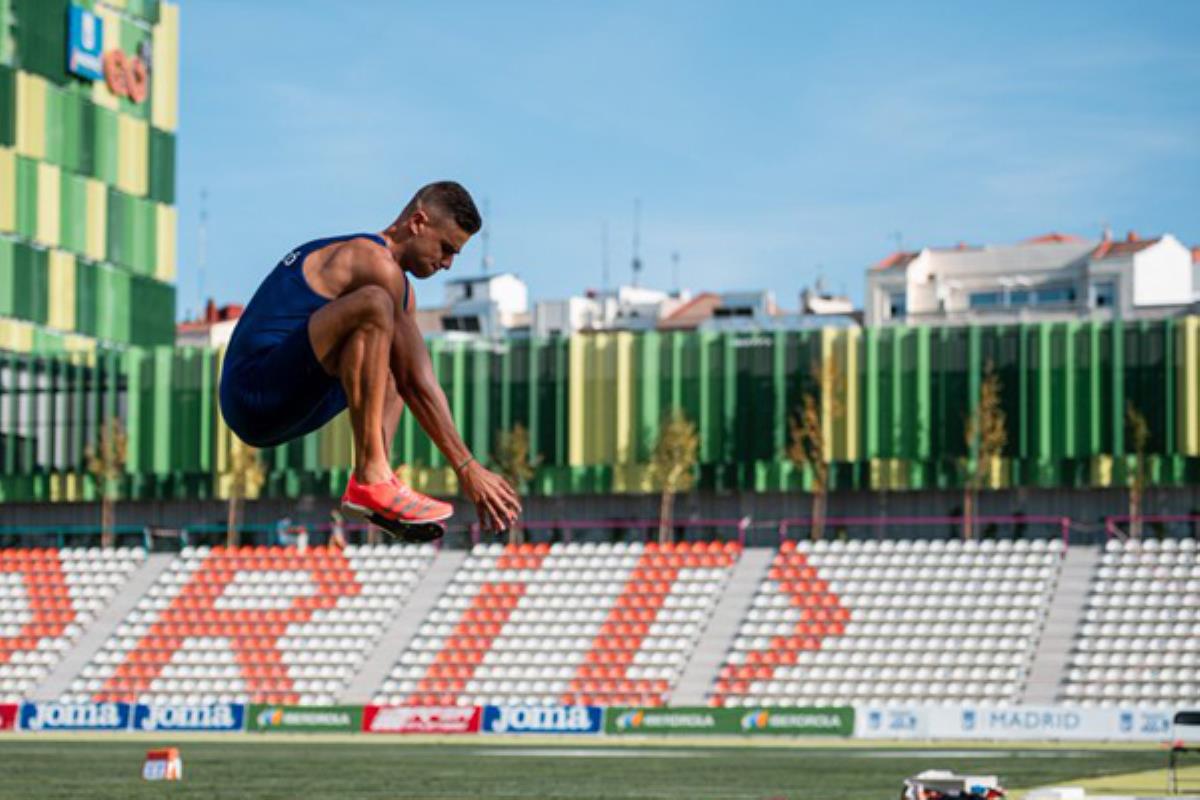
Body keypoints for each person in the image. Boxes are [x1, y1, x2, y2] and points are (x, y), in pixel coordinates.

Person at [219, 182, 521, 536]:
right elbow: (415, 382)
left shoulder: (402, 295)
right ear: (418, 222)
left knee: (392, 343)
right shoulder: (370, 260)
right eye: (446, 248)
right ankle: (371, 477)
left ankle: (376, 483)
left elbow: (413, 376)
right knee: (376, 306)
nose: (447, 263)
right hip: (253, 392)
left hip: (291, 399)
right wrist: (467, 467)